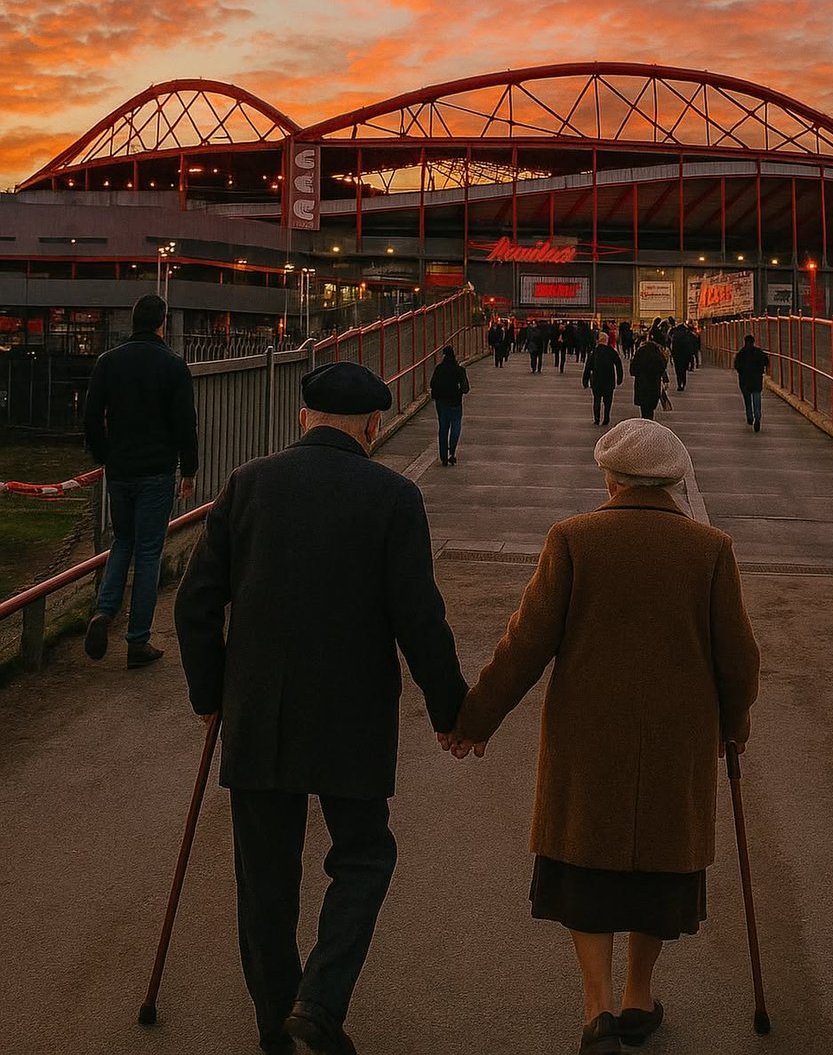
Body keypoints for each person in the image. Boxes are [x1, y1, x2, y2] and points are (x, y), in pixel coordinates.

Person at [441, 419, 761, 1055]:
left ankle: (597, 1012)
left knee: (586, 864)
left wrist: (474, 721)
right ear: (674, 480)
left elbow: (527, 641)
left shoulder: (574, 539)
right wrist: (733, 727)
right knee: (660, 867)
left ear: (610, 477)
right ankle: (639, 998)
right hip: (676, 737)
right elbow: (739, 659)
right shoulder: (710, 550)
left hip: (587, 737)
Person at [175, 362, 468, 1055]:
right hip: (352, 714)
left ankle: (276, 1022)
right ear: (372, 426)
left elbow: (195, 603)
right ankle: (320, 1000)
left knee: (265, 878)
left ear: (302, 418)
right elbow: (418, 617)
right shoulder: (393, 497)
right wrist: (451, 710)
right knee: (364, 855)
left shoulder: (249, 484)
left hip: (259, 711)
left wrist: (210, 694)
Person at [82, 293, 197, 669]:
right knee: (149, 553)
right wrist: (189, 470)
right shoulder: (173, 365)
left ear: (133, 321)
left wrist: (105, 456)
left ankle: (103, 612)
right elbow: (185, 424)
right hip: (156, 471)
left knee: (123, 542)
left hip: (121, 471)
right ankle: (137, 641)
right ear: (162, 322)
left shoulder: (108, 362)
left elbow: (91, 416)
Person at [430, 345, 470, 465]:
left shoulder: (439, 369)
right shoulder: (459, 370)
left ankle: (443, 456)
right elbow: (465, 389)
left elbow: (432, 384)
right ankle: (452, 452)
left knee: (443, 428)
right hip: (455, 403)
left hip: (441, 403)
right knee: (456, 426)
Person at [581, 332, 623, 426]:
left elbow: (588, 367)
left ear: (598, 340)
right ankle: (606, 417)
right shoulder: (611, 351)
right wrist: (619, 378)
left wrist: (585, 380)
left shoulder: (594, 352)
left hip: (597, 380)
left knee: (597, 400)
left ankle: (597, 418)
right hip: (609, 380)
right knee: (608, 401)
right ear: (606, 340)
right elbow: (618, 364)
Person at [733, 333, 770, 432]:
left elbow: (737, 366)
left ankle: (750, 416)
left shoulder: (741, 353)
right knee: (757, 400)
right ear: (753, 342)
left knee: (747, 400)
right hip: (757, 381)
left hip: (745, 381)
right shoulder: (758, 352)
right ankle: (757, 417)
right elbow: (766, 361)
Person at [629, 339, 668, 420]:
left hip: (641, 385)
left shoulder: (640, 353)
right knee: (650, 409)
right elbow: (662, 368)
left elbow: (632, 370)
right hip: (654, 386)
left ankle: (645, 422)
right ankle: (649, 421)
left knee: (644, 409)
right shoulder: (658, 354)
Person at [669, 322, 697, 392]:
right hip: (685, 355)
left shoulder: (675, 335)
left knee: (678, 371)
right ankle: (683, 383)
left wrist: (672, 354)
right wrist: (691, 355)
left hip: (677, 356)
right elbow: (690, 345)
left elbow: (673, 345)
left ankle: (679, 384)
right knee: (683, 370)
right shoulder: (687, 334)